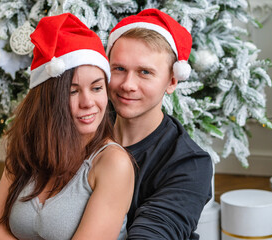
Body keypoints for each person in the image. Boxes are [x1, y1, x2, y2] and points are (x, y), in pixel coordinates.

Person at [0, 13, 134, 240]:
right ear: (49, 99)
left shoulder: (113, 163)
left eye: (97, 88)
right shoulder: (26, 145)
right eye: (73, 91)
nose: (88, 102)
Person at [106, 8, 213, 239]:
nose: (128, 84)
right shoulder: (84, 130)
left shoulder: (190, 164)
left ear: (172, 81)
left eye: (144, 72)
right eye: (119, 69)